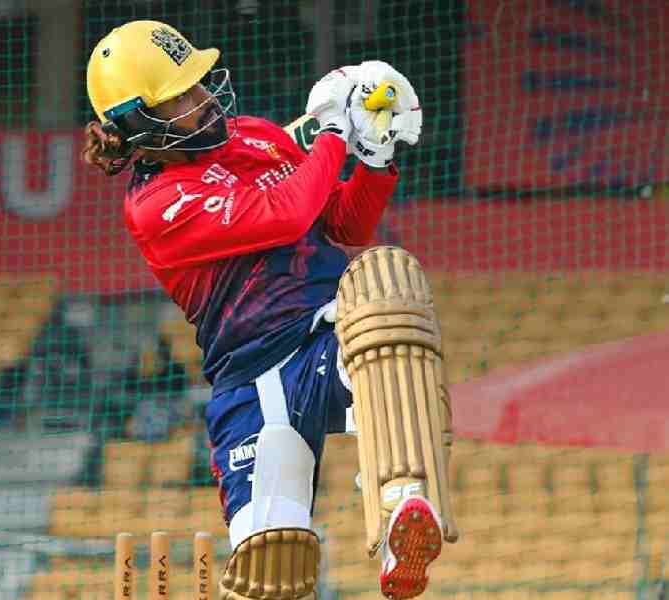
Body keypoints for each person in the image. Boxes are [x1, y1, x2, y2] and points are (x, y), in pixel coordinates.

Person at [84, 20, 458, 600]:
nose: (203, 98)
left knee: (388, 286)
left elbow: (343, 224)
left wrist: (374, 157)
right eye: (180, 96)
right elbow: (285, 214)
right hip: (249, 380)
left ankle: (400, 512)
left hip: (326, 337)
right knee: (270, 568)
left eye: (198, 82)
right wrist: (333, 132)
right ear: (139, 123)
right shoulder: (156, 204)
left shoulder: (254, 135)